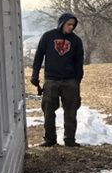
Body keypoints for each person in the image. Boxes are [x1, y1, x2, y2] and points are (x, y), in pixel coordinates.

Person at [31, 13, 84, 147]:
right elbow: (38, 57)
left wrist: (77, 81)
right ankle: (49, 139)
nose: (71, 27)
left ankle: (69, 139)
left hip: (70, 80)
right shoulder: (48, 37)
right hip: (51, 79)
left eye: (73, 25)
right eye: (69, 24)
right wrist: (35, 75)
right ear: (62, 23)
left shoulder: (76, 41)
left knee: (71, 112)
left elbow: (79, 63)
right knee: (48, 111)